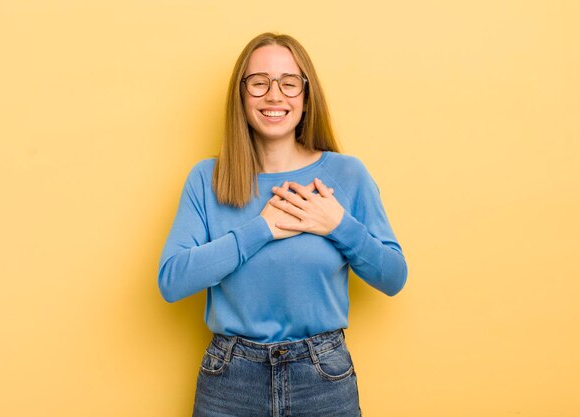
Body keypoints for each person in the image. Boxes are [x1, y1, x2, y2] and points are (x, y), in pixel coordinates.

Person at [158, 32, 408, 417]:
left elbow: (393, 277)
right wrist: (261, 229)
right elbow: (172, 281)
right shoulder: (207, 179)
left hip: (323, 378)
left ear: (307, 96)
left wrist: (337, 223)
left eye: (289, 83)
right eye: (259, 83)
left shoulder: (346, 174)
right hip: (229, 382)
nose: (275, 96)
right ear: (241, 96)